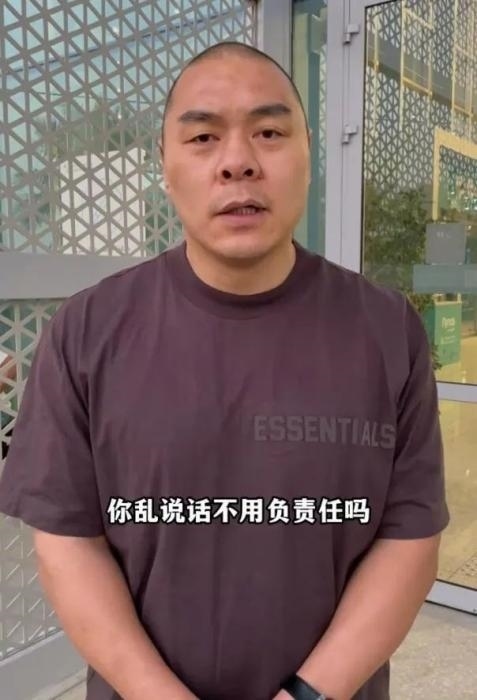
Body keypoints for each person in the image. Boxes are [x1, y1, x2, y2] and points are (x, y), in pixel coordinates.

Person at [0, 41, 449, 700]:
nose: (238, 162)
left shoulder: (386, 331)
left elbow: (407, 538)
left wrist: (307, 694)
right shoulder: (87, 332)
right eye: (203, 137)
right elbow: (68, 543)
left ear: (308, 155)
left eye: (269, 133)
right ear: (164, 164)